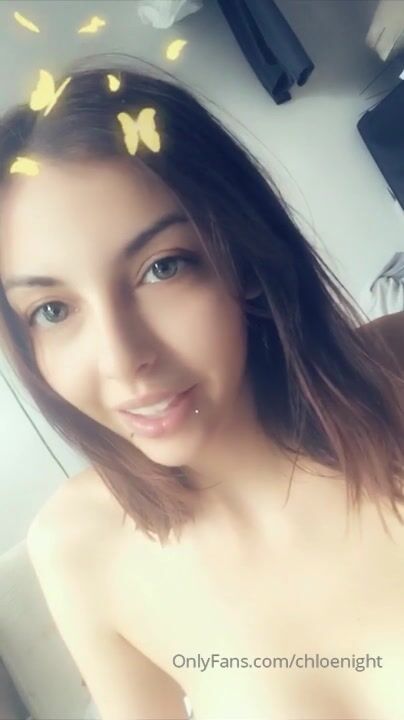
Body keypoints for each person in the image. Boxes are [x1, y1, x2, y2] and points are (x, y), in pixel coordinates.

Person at [1, 56, 404, 720]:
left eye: (163, 268)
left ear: (243, 257)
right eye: (52, 309)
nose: (122, 359)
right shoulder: (78, 545)